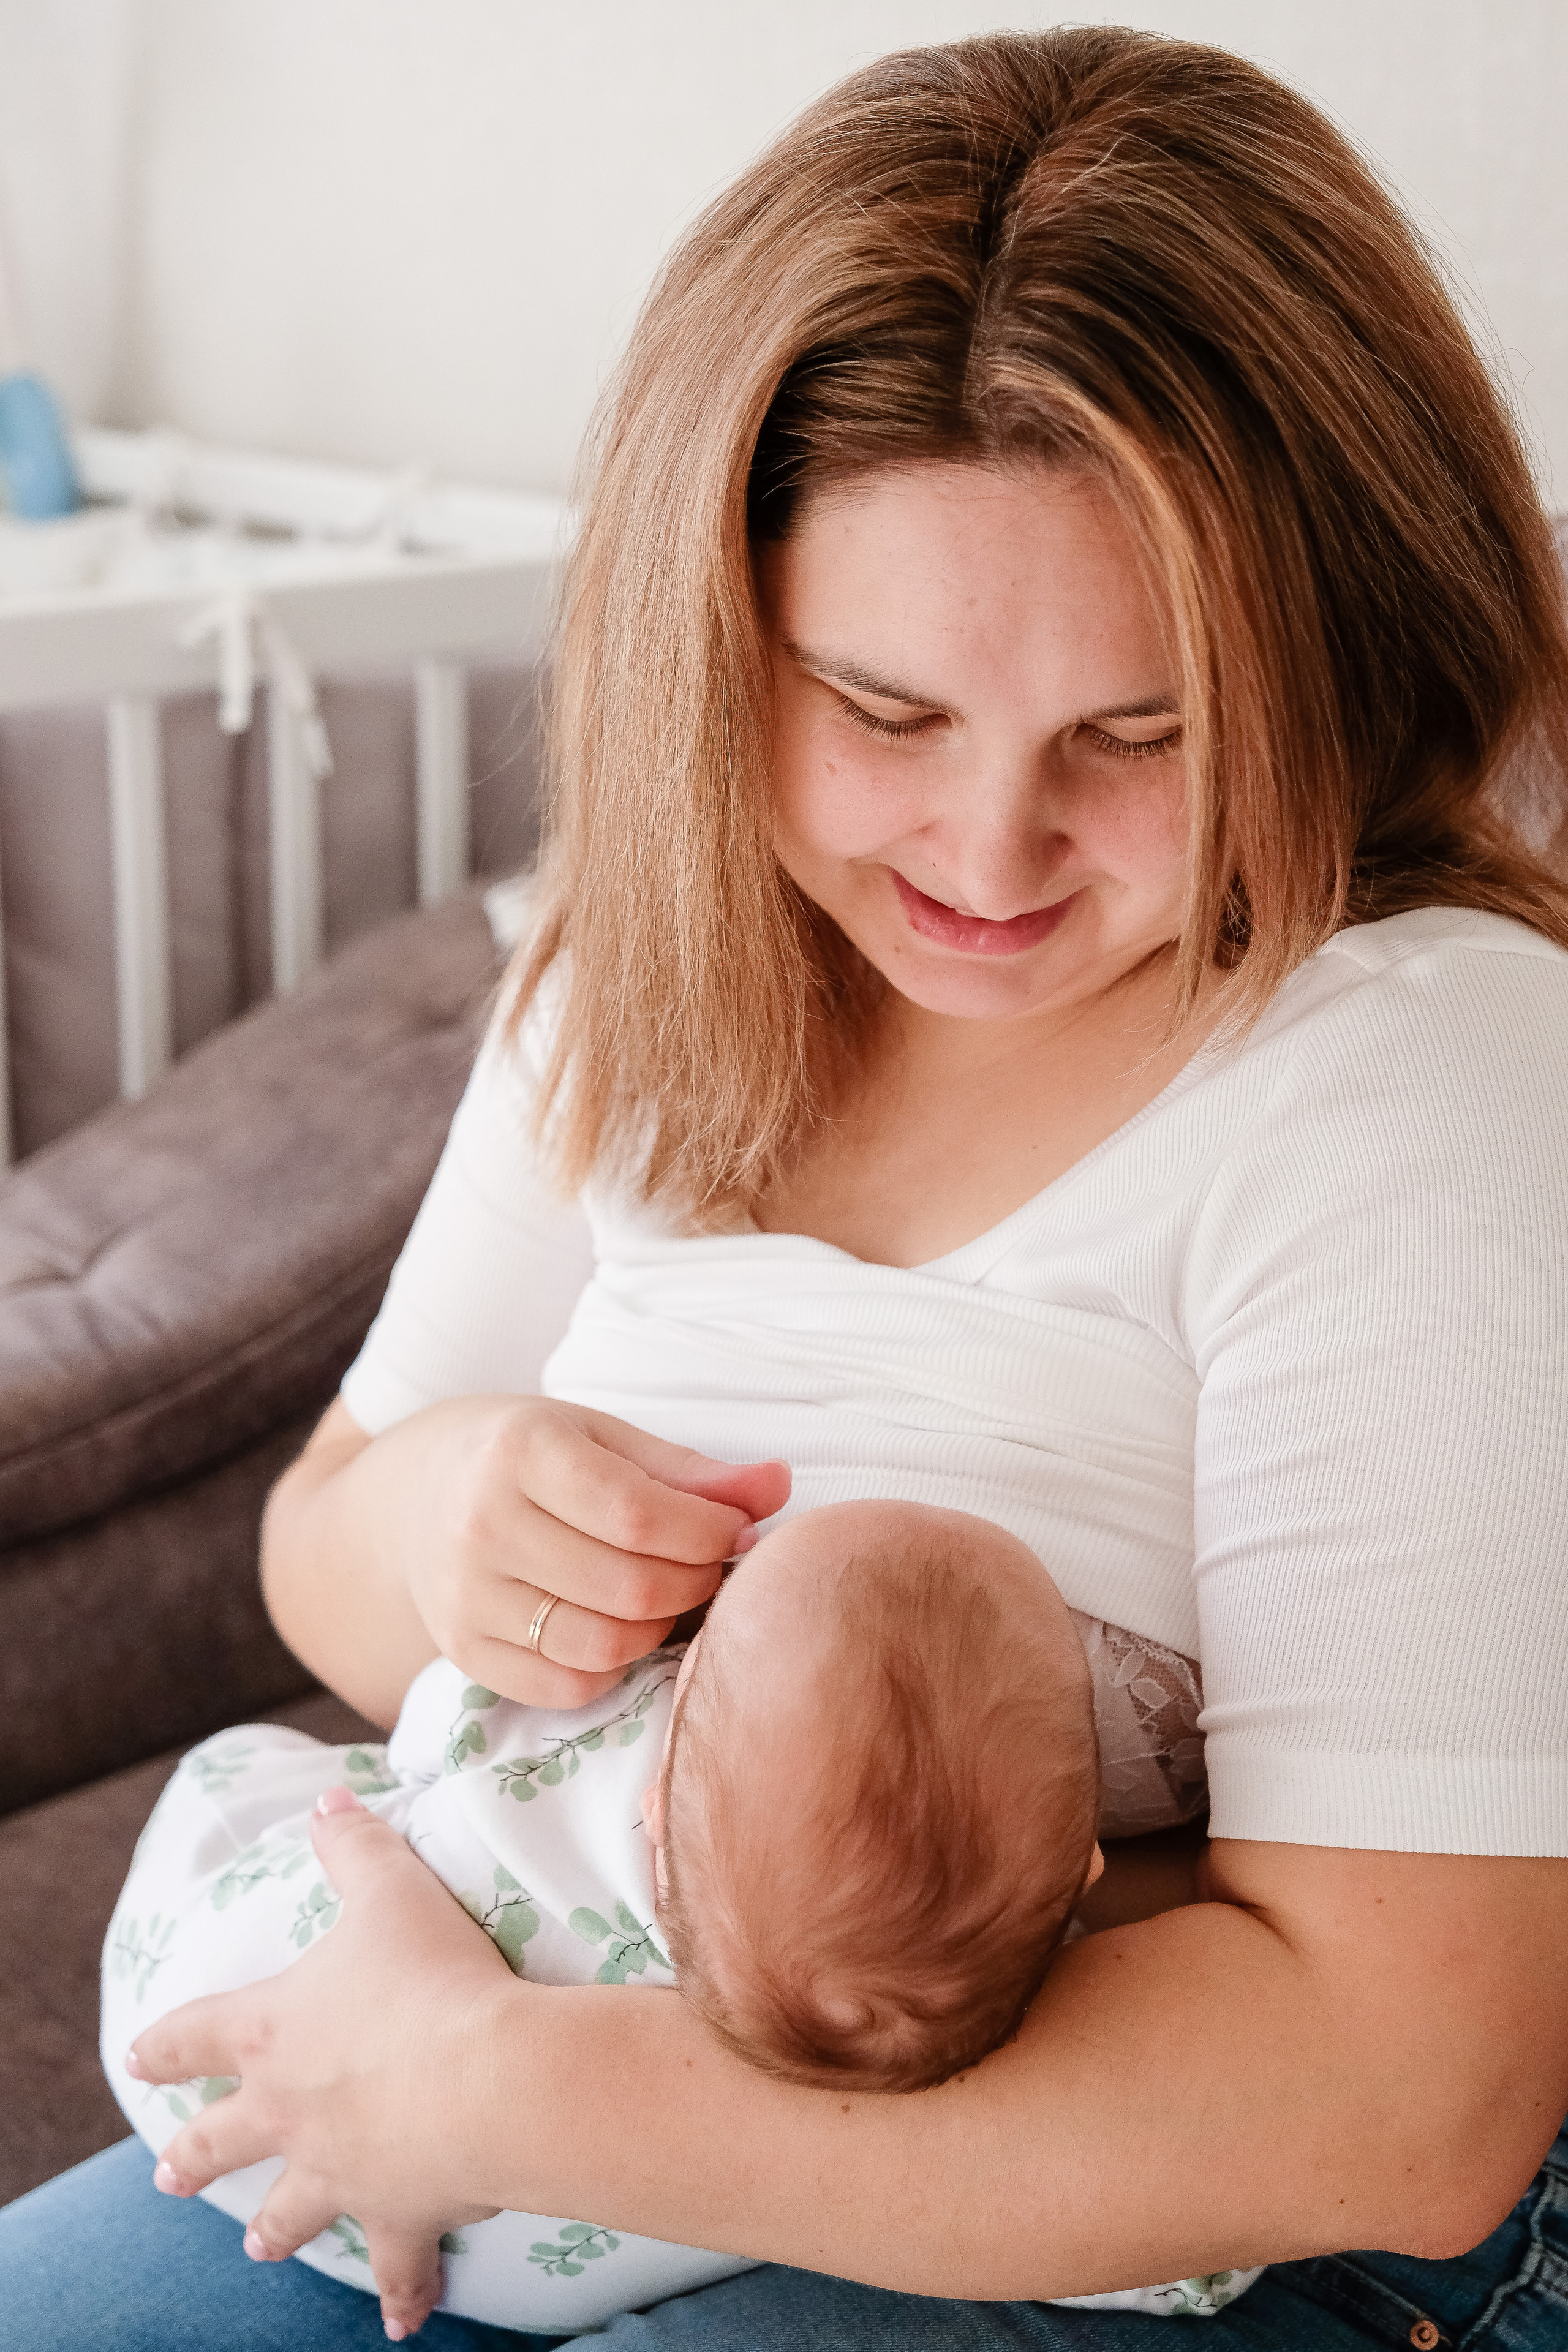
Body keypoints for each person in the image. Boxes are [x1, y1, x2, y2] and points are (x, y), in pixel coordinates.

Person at [4, 24, 1567, 2351]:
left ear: (1336, 671)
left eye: (1142, 736)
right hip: (458, 2090)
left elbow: (1403, 2095)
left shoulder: (1420, 1072)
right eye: (888, 712)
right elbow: (321, 1556)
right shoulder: (649, 986)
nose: (991, 855)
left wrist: (519, 2090)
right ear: (711, 638)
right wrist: (458, 1522)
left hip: (1175, 2218)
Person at [105, 1503, 1251, 2327]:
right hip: (507, 2274)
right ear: (1087, 1873)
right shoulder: (1016, 1987)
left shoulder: (584, 1741)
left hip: (214, 2042)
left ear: (658, 1786)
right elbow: (1175, 2260)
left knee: (292, 1788)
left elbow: (441, 1707)